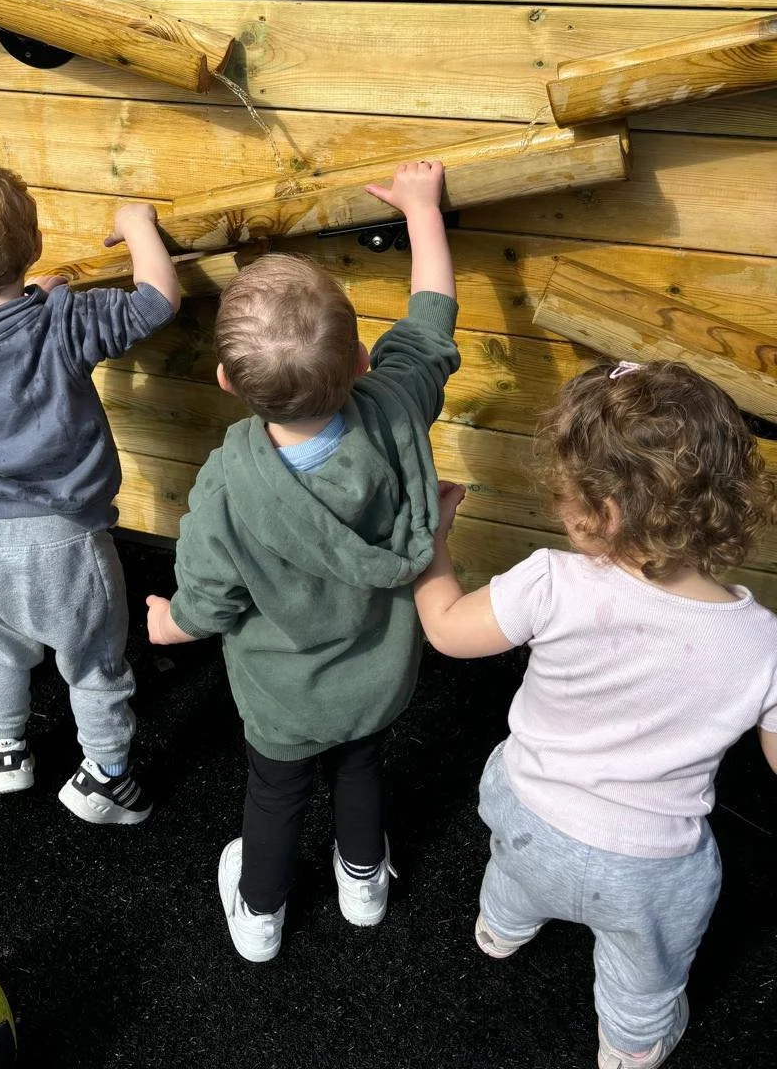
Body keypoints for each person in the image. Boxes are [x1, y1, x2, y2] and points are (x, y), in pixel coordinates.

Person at [414, 360, 777, 1069]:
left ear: (602, 513)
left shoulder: (550, 582)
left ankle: (501, 926)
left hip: (526, 816)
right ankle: (633, 1043)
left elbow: (448, 630)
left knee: (515, 876)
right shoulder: (764, 642)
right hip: (649, 869)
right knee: (647, 966)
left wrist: (434, 546)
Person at [148, 160, 460, 960]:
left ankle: (260, 918)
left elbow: (210, 601)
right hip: (378, 675)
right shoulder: (395, 408)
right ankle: (364, 883)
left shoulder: (224, 486)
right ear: (360, 363)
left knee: (275, 794)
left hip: (285, 698)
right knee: (361, 767)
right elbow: (431, 321)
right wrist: (423, 210)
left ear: (225, 382)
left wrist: (168, 626)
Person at [0, 161, 180, 824]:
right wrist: (136, 225)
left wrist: (38, 297)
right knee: (94, 665)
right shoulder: (62, 321)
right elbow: (157, 300)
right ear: (32, 248)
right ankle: (106, 778)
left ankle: (5, 750)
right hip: (64, 545)